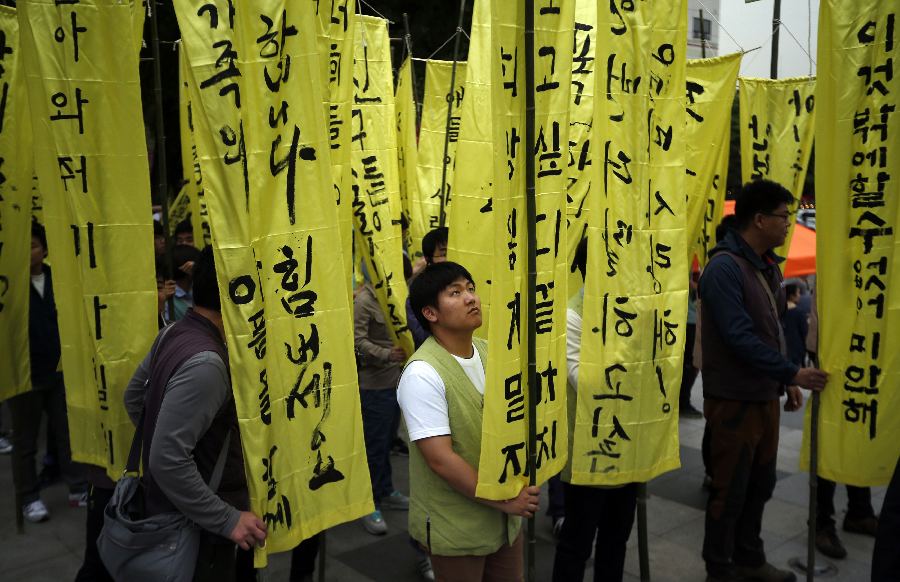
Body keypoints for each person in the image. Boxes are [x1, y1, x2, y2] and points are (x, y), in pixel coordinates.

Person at [699, 180, 828, 582]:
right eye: (783, 216)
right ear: (759, 219)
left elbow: (772, 330)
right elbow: (739, 337)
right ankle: (720, 568)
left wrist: (784, 380)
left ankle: (749, 559)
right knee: (729, 490)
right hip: (734, 400)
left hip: (763, 396)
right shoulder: (723, 268)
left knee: (760, 484)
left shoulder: (766, 265)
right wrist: (792, 372)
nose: (789, 224)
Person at [124, 246, 266, 580]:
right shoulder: (207, 363)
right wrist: (226, 518)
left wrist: (172, 430)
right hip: (196, 527)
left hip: (176, 509)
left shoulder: (173, 332)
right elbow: (167, 458)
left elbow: (134, 398)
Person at [398, 261, 539, 581]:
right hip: (456, 523)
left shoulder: (492, 353)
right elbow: (440, 459)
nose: (471, 297)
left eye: (471, 288)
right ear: (430, 313)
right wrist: (505, 499)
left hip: (505, 518)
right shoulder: (422, 373)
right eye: (455, 292)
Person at [552, 238, 637, 582]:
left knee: (617, 538)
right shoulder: (573, 315)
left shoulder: (633, 309)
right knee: (577, 540)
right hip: (588, 445)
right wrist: (631, 360)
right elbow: (583, 380)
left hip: (626, 441)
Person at [8, 221, 87, 523]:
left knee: (68, 431)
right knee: (25, 440)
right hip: (24, 374)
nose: (29, 252)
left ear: (44, 249)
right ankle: (28, 497)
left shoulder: (58, 278)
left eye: (33, 246)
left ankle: (77, 486)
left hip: (60, 369)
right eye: (23, 247)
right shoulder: (10, 286)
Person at [803, 288, 878, 560]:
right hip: (831, 345)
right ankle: (821, 522)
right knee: (830, 433)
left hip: (865, 344)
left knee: (858, 427)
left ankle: (860, 510)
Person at [354, 281, 410, 535]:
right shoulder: (364, 301)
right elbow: (357, 341)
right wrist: (386, 354)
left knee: (386, 442)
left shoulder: (394, 294)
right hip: (374, 385)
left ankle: (385, 490)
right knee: (374, 446)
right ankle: (369, 504)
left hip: (395, 381)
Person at [407, 227, 449, 348]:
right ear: (428, 258)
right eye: (444, 254)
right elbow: (422, 337)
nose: (450, 258)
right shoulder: (418, 293)